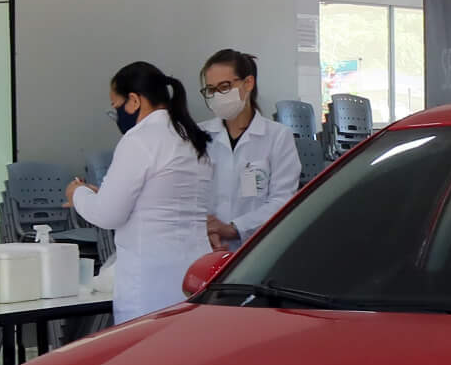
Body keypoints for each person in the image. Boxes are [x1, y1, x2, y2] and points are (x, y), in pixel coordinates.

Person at [68, 61, 211, 325]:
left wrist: (77, 194)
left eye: (115, 107)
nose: (117, 116)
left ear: (134, 100)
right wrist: (102, 194)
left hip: (149, 284)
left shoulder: (139, 139)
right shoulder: (191, 137)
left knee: (148, 359)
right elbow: (160, 199)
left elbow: (107, 214)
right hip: (194, 273)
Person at [198, 49, 303, 253]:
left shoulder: (277, 136)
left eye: (225, 87)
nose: (217, 95)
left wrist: (234, 228)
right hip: (206, 245)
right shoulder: (198, 135)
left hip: (256, 249)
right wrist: (208, 228)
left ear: (248, 83)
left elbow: (282, 200)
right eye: (211, 90)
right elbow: (188, 194)